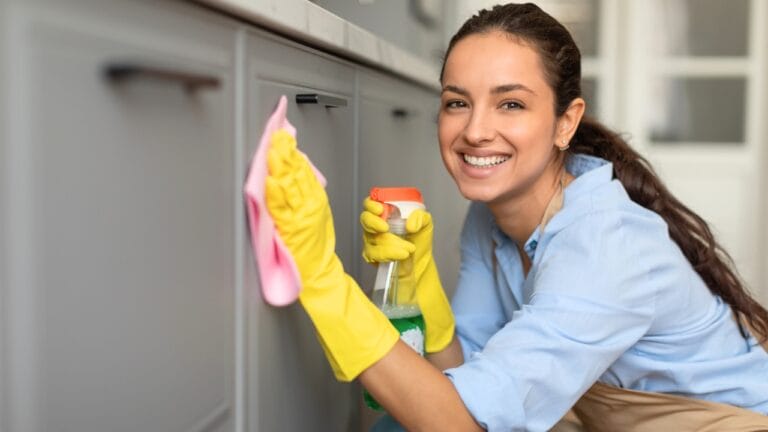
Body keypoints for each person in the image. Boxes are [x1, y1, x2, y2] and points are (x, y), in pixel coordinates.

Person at [264, 3, 768, 431]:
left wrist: (321, 278)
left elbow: (462, 421)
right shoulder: (490, 218)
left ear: (564, 122)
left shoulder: (601, 246)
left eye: (510, 104)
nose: (476, 131)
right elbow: (472, 376)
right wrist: (428, 300)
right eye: (457, 102)